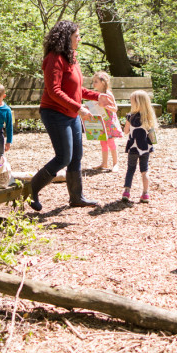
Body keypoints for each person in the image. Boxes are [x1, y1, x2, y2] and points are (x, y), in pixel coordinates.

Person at [28, 21, 113, 211]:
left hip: (71, 113)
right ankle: (30, 190)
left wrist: (97, 96)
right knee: (63, 157)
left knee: (76, 156)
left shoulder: (71, 57)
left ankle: (76, 197)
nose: (79, 39)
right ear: (66, 38)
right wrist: (79, 108)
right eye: (76, 36)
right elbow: (54, 91)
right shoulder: (54, 58)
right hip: (54, 113)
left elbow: (77, 89)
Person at [121, 90, 157, 202]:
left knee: (130, 169)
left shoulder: (129, 117)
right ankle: (145, 194)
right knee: (144, 170)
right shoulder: (148, 117)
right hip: (144, 148)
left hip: (133, 147)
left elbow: (126, 132)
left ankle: (126, 192)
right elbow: (152, 135)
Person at [92, 71, 121, 171]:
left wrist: (105, 106)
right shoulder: (98, 94)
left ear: (103, 82)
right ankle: (104, 163)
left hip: (108, 121)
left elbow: (115, 108)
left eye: (96, 81)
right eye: (93, 81)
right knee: (103, 142)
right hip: (101, 120)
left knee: (110, 142)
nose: (93, 84)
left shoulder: (108, 94)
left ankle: (115, 163)